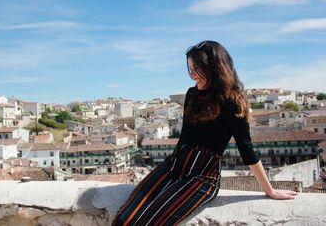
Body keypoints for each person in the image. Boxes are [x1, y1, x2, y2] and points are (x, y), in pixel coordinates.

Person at [111, 40, 298, 226]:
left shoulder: (232, 101)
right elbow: (185, 136)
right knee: (123, 218)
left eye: (197, 68)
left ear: (214, 68)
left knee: (149, 222)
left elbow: (246, 148)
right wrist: (169, 168)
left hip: (202, 176)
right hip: (175, 165)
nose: (192, 75)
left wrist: (270, 190)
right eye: (190, 69)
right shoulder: (192, 94)